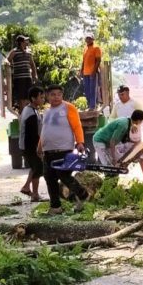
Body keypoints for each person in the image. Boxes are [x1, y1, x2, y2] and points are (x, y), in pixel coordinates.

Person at [38, 84, 90, 214]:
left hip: (63, 149)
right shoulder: (46, 111)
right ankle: (55, 207)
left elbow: (77, 126)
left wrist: (80, 142)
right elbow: (45, 130)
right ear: (47, 96)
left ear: (62, 95)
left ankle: (83, 194)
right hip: (48, 151)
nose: (56, 97)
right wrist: (39, 146)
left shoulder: (68, 107)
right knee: (49, 178)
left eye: (59, 94)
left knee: (64, 175)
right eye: (53, 94)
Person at [93, 110, 143, 182]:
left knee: (117, 164)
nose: (141, 123)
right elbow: (112, 141)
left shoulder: (129, 122)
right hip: (100, 140)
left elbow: (123, 138)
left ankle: (113, 182)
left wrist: (135, 143)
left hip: (108, 142)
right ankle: (108, 183)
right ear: (138, 120)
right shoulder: (123, 125)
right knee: (108, 165)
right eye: (141, 121)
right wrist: (113, 158)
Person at [19, 86, 45, 202]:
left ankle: (26, 187)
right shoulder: (31, 114)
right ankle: (35, 194)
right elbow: (32, 135)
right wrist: (38, 149)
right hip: (29, 146)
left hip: (28, 146)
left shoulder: (31, 109)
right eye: (41, 97)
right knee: (38, 168)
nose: (43, 99)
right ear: (33, 98)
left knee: (34, 167)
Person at [6, 34, 38, 112]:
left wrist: (35, 75)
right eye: (25, 41)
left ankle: (29, 113)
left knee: (29, 96)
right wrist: (7, 65)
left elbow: (32, 64)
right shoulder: (14, 51)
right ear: (21, 42)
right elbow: (7, 60)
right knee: (21, 97)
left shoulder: (29, 52)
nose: (27, 42)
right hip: (19, 78)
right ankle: (23, 113)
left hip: (28, 77)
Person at [81, 33, 102, 110]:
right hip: (85, 73)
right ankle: (90, 105)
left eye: (90, 38)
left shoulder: (96, 48)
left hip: (92, 72)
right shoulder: (85, 49)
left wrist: (94, 71)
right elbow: (84, 61)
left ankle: (93, 106)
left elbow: (98, 60)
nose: (88, 40)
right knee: (86, 90)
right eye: (87, 38)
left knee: (92, 90)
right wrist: (81, 70)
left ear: (93, 39)